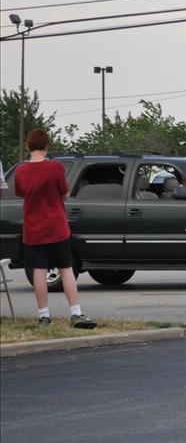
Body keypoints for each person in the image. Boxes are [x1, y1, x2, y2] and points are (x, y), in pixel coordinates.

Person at [14, 129, 96, 328]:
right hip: (56, 226)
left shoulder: (21, 171)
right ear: (46, 146)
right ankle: (76, 313)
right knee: (66, 269)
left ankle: (44, 315)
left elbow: (22, 193)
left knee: (39, 271)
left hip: (33, 228)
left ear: (29, 146)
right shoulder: (56, 167)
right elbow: (64, 194)